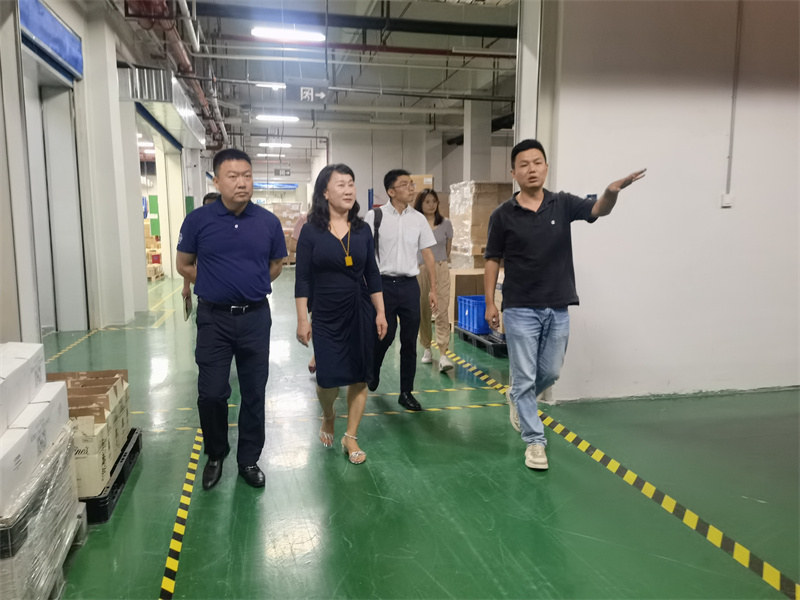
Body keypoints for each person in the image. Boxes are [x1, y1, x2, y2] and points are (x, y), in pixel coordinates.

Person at [484, 139, 645, 471]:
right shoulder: (502, 215)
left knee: (550, 372)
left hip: (558, 304)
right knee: (525, 376)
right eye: (524, 164)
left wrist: (611, 192)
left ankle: (517, 396)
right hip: (519, 307)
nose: (531, 169)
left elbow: (598, 209)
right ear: (513, 172)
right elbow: (492, 260)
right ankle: (535, 441)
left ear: (546, 167)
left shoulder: (563, 203)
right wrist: (490, 303)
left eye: (537, 162)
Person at [176, 149, 287, 490]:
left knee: (254, 392)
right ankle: (216, 453)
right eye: (233, 176)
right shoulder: (198, 221)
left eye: (247, 176)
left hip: (255, 318)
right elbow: (183, 264)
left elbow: (277, 265)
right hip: (214, 319)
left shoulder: (268, 222)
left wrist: (250, 284)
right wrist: (213, 284)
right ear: (216, 181)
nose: (242, 183)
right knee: (211, 393)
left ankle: (248, 459)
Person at [295, 164, 387, 464]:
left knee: (360, 376)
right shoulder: (311, 231)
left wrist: (380, 312)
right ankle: (329, 414)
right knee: (327, 380)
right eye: (341, 185)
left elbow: (372, 273)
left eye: (351, 184)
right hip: (325, 311)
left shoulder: (362, 230)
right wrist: (302, 319)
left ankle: (351, 436)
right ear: (325, 192)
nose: (348, 190)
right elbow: (302, 278)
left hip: (358, 308)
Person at [364, 170, 438, 411]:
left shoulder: (418, 219)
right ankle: (373, 369)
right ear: (391, 191)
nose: (411, 188)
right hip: (381, 286)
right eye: (404, 184)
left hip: (409, 286)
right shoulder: (374, 217)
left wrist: (433, 289)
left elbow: (428, 254)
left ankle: (406, 392)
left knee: (409, 342)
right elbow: (364, 253)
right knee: (383, 336)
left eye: (411, 184)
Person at [414, 189, 455, 373]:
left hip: (440, 268)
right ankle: (426, 347)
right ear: (420, 204)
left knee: (441, 310)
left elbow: (447, 249)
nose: (431, 205)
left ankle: (444, 353)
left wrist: (440, 264)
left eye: (434, 201)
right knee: (423, 310)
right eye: (427, 201)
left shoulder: (446, 224)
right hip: (421, 270)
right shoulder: (415, 225)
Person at [181, 192, 221, 304]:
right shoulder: (198, 230)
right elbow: (187, 262)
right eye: (208, 207)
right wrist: (186, 287)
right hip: (207, 291)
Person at [290, 213, 317, 374]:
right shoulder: (305, 220)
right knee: (316, 318)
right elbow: (293, 246)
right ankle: (318, 354)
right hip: (313, 278)